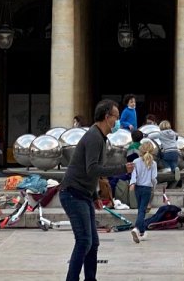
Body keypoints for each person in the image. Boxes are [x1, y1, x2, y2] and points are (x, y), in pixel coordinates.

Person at [59, 98, 120, 281]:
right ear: (107, 116)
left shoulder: (100, 137)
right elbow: (92, 169)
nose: (117, 122)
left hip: (83, 195)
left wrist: (94, 196)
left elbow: (90, 173)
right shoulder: (94, 137)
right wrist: (123, 169)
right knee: (84, 241)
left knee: (92, 243)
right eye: (116, 117)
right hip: (72, 194)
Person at [129, 139, 158, 242]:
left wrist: (132, 183)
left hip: (137, 188)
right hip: (147, 188)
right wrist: (154, 188)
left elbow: (134, 175)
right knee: (142, 210)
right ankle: (136, 229)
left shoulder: (136, 161)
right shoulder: (153, 163)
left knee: (140, 209)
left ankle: (142, 231)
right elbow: (153, 178)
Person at [154, 120, 181, 186]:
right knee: (173, 163)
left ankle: (167, 167)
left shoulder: (160, 133)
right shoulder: (173, 133)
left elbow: (151, 136)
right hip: (175, 151)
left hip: (167, 151)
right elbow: (177, 135)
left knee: (163, 160)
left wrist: (145, 135)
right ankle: (175, 170)